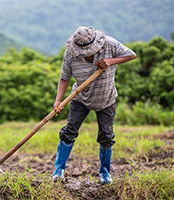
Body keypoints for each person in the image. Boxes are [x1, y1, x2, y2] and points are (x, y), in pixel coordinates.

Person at [52, 26, 136, 184]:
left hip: (106, 98)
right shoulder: (70, 54)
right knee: (69, 131)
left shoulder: (110, 44)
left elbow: (131, 55)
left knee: (106, 136)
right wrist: (58, 101)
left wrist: (111, 61)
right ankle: (59, 171)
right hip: (80, 97)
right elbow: (64, 78)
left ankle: (105, 173)